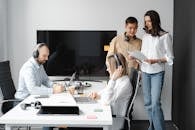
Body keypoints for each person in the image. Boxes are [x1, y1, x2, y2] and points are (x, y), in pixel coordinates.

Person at [140, 10, 174, 130]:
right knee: (148, 103)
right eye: (145, 21)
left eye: (149, 21)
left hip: (157, 73)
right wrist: (136, 57)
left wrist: (156, 60)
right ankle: (152, 127)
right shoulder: (145, 36)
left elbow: (170, 58)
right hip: (144, 71)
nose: (147, 23)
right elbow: (143, 55)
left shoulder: (165, 36)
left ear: (155, 21)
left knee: (155, 104)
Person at [90, 53, 132, 130]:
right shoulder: (119, 80)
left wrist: (112, 79)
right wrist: (98, 95)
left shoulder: (124, 83)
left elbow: (107, 101)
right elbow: (106, 92)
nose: (107, 69)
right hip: (109, 115)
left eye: (109, 67)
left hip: (114, 120)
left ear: (117, 68)